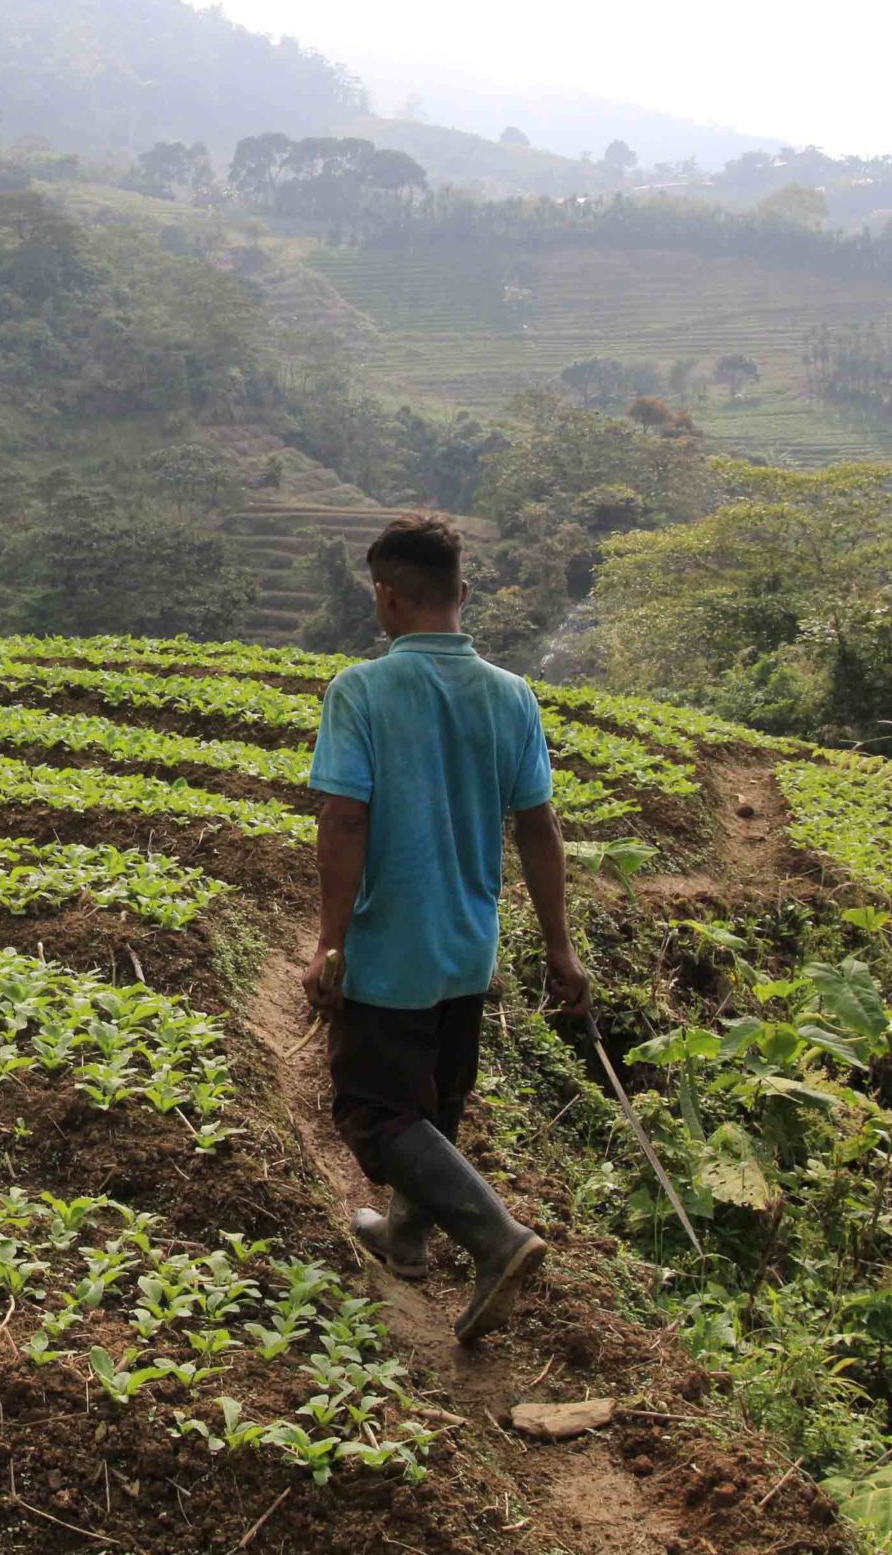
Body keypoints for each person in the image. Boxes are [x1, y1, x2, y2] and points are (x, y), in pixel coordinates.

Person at [300, 513, 590, 1345]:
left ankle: (496, 1238)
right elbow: (540, 829)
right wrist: (560, 947)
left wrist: (330, 940)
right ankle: (408, 1235)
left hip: (392, 944)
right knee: (435, 1101)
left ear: (386, 599)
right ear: (463, 593)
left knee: (373, 1109)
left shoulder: (362, 690)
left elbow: (345, 819)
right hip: (470, 944)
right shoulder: (511, 695)